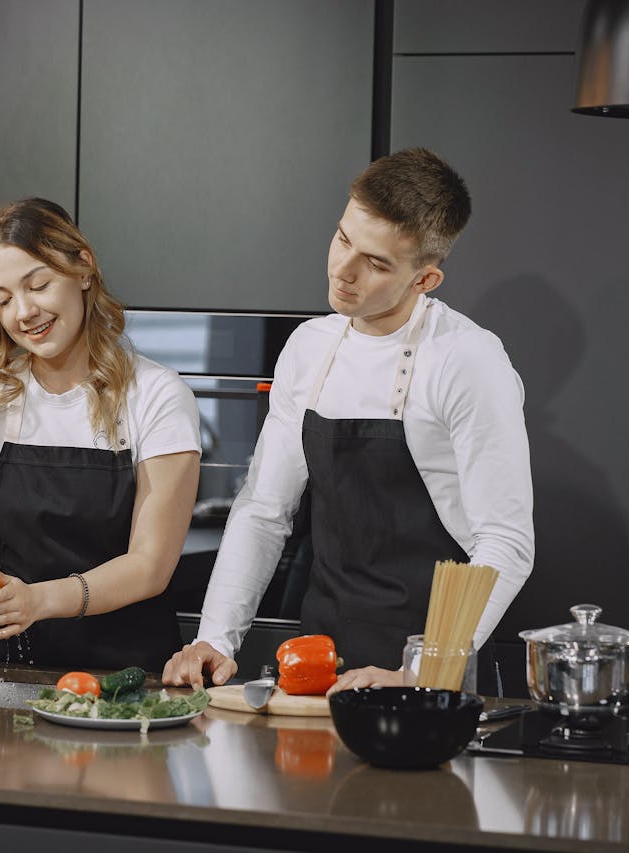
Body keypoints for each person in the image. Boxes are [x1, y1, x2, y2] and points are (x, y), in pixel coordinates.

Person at [161, 148, 534, 693]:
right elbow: (264, 510)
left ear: (425, 279)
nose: (343, 271)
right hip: (321, 660)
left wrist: (420, 673)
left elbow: (505, 541)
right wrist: (216, 639)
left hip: (434, 671)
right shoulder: (309, 348)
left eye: (377, 264)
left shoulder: (468, 360)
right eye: (342, 239)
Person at [0, 197, 202, 673]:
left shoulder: (158, 396)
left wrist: (41, 600)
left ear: (83, 268)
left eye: (37, 285)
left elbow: (150, 565)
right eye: (3, 300)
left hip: (125, 680)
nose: (23, 312)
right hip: (11, 673)